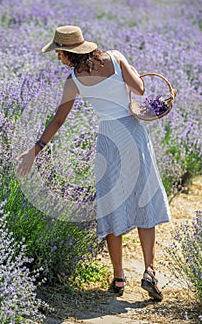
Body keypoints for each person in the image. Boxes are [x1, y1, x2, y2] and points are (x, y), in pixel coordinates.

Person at [16, 25, 171, 301]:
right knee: (144, 198)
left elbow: (58, 120)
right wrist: (128, 72)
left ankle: (119, 278)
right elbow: (140, 88)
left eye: (59, 53)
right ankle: (149, 271)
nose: (58, 58)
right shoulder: (115, 57)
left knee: (113, 204)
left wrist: (34, 151)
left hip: (109, 139)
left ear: (68, 54)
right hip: (134, 133)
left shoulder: (73, 81)